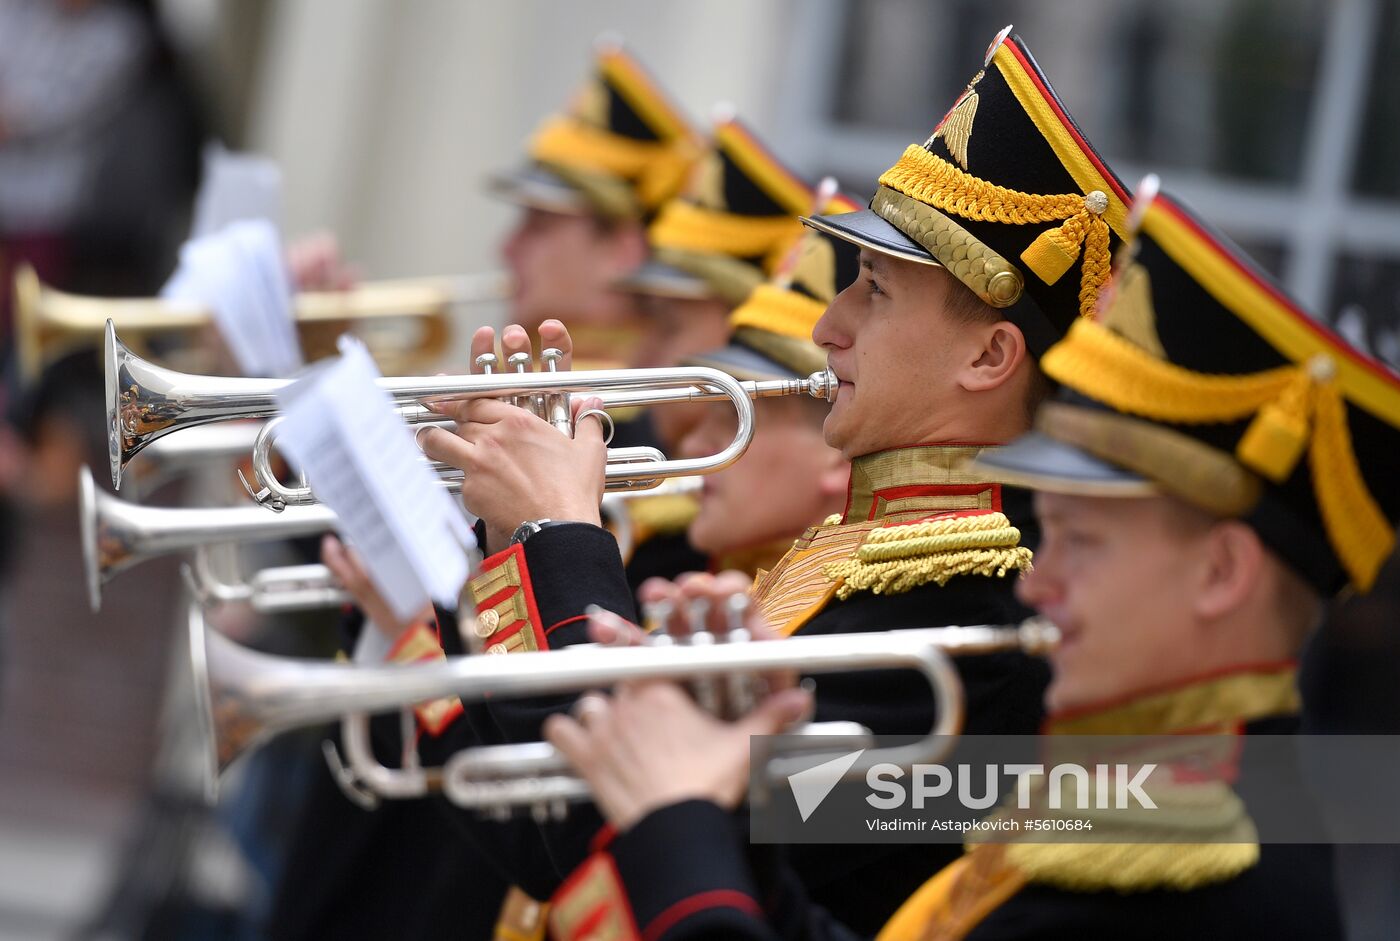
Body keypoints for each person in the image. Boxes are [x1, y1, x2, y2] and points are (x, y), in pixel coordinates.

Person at [417, 26, 1137, 935]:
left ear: (991, 355)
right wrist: (513, 540)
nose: (829, 326)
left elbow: (595, 829)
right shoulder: (860, 554)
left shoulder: (972, 617)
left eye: (873, 289)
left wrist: (561, 532)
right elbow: (545, 837)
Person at [540, 178, 1389, 939]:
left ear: (1221, 573)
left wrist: (683, 813)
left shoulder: (1203, 857)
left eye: (1082, 542)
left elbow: (553, 842)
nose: (1041, 580)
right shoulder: (1131, 791)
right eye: (1050, 530)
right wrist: (716, 800)